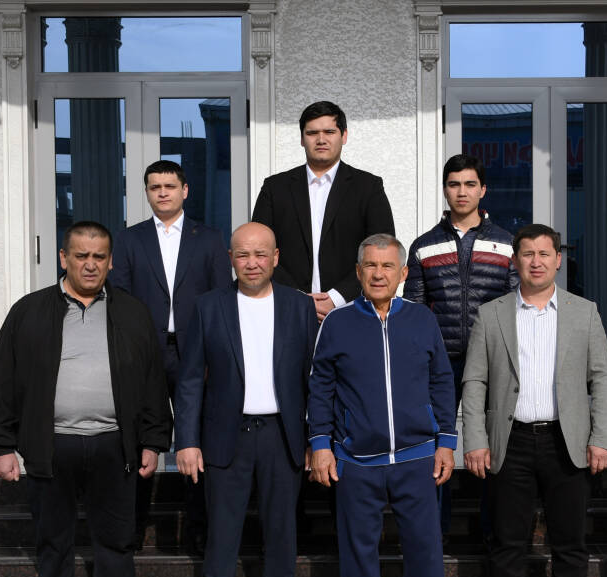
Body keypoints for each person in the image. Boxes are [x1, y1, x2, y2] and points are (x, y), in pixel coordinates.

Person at [0, 221, 171, 577]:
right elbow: (2, 380)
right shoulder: (29, 312)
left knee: (117, 544)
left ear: (111, 261)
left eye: (99, 256)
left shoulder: (132, 313)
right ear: (63, 258)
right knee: (53, 544)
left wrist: (153, 441)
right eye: (81, 255)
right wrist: (1, 446)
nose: (90, 264)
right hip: (51, 446)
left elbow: (152, 383)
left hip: (114, 447)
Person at [164, 222, 319, 577]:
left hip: (282, 437)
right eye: (243, 254)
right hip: (224, 437)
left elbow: (314, 378)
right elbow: (190, 380)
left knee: (281, 535)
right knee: (220, 538)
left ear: (275, 257)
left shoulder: (298, 306)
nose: (252, 263)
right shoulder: (208, 306)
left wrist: (316, 438)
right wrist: (186, 441)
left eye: (260, 253)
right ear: (230, 258)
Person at [461, 224, 607, 577]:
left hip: (566, 442)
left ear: (558, 260)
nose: (536, 261)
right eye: (527, 253)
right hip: (509, 442)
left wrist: (602, 438)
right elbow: (475, 380)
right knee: (507, 542)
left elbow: (602, 378)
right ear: (515, 261)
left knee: (570, 543)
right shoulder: (491, 314)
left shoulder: (584, 312)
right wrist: (475, 439)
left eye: (544, 253)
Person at [308, 233, 457, 577]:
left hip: (417, 455)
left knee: (424, 546)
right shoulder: (337, 323)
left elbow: (441, 380)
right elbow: (321, 387)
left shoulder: (422, 319)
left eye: (388, 266)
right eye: (370, 266)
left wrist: (447, 442)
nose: (378, 274)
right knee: (358, 547)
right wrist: (321, 444)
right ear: (358, 272)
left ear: (403, 273)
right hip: (357, 458)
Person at [110, 160, 230, 552]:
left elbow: (222, 299)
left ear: (185, 190)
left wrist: (216, 351)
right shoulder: (129, 239)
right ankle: (133, 526)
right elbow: (120, 298)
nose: (162, 192)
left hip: (196, 351)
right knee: (139, 437)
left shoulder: (209, 239)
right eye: (155, 187)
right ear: (146, 192)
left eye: (169, 186)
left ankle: (199, 527)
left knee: (195, 436)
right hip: (144, 353)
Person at [404, 154, 517, 537]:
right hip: (439, 364)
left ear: (483, 190)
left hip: (491, 363)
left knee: (493, 448)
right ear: (445, 189)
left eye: (470, 184)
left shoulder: (507, 244)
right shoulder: (424, 246)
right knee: (435, 447)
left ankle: (491, 536)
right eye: (454, 184)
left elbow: (514, 308)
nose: (462, 192)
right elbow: (414, 310)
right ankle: (433, 537)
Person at [252, 100, 395, 321]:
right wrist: (298, 299)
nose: (321, 139)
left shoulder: (368, 187)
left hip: (352, 310)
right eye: (312, 133)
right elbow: (259, 249)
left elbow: (382, 249)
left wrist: (337, 297)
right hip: (287, 311)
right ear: (302, 139)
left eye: (329, 132)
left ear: (344, 136)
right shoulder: (275, 188)